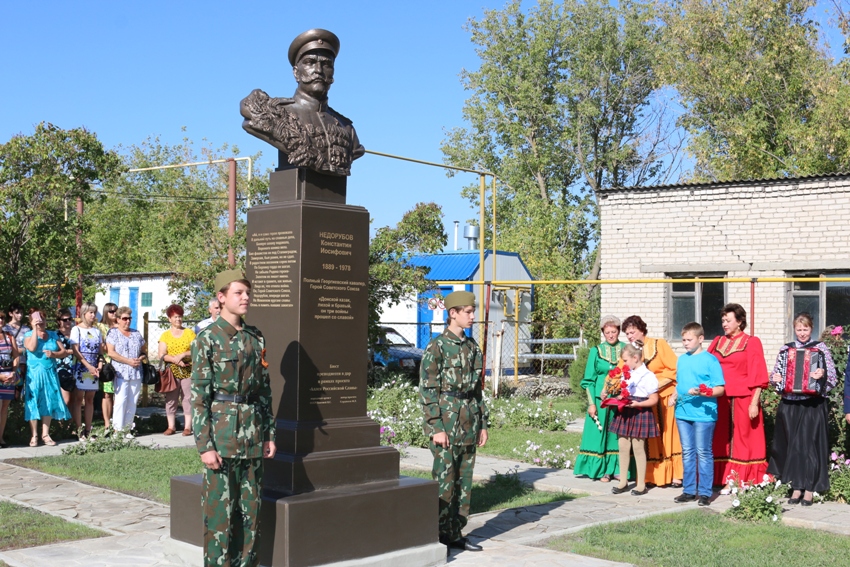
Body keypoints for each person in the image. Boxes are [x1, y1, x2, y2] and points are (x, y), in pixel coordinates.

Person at [191, 270, 276, 567]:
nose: (245, 298)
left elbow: (264, 392)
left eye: (247, 293)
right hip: (222, 440)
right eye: (238, 293)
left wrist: (269, 435)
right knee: (219, 518)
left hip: (252, 439)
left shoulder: (255, 336)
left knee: (251, 517)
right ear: (221, 297)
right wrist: (205, 446)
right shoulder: (207, 340)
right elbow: (199, 398)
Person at [241, 28, 365, 176]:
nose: (318, 70)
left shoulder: (347, 129)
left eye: (326, 64)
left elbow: (356, 151)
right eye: (310, 62)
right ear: (296, 72)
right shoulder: (277, 111)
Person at [419, 290, 488, 553]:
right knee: (445, 481)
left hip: (469, 420)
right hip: (446, 423)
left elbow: (478, 391)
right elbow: (427, 390)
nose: (472, 316)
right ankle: (436, 534)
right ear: (453, 314)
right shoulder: (436, 347)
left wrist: (482, 424)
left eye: (473, 312)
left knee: (464, 482)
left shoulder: (472, 348)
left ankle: (455, 533)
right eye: (468, 312)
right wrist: (436, 427)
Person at [767, 313, 837, 506]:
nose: (802, 332)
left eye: (805, 329)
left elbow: (832, 377)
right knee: (793, 447)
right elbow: (776, 375)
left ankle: (809, 489)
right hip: (790, 403)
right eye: (799, 329)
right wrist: (776, 380)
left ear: (811, 329)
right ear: (794, 329)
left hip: (812, 404)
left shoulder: (820, 349)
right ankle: (796, 487)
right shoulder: (785, 349)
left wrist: (821, 374)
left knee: (809, 447)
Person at [707, 303, 769, 487]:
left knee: (742, 440)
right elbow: (706, 365)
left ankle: (740, 479)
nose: (724, 323)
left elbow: (758, 374)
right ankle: (719, 478)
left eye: (728, 320)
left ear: (740, 322)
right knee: (719, 439)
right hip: (720, 399)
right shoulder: (717, 341)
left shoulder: (752, 342)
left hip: (743, 398)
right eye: (723, 320)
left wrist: (754, 402)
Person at [621, 315, 682, 487]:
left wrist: (655, 383)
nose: (630, 336)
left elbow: (674, 368)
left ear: (641, 329)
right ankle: (651, 476)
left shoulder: (658, 344)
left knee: (667, 436)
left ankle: (675, 474)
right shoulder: (630, 350)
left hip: (664, 397)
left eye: (632, 332)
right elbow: (620, 372)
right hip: (642, 401)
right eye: (627, 334)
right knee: (648, 440)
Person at [671, 322, 725, 507]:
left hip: (703, 414)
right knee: (687, 452)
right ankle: (688, 490)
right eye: (683, 340)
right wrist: (674, 395)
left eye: (689, 339)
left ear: (700, 339)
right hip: (683, 413)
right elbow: (680, 384)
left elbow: (720, 388)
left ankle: (704, 492)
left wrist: (704, 392)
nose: (685, 343)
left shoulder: (710, 360)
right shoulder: (682, 359)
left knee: (703, 452)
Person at [573, 315, 626, 482]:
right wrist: (591, 403)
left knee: (616, 434)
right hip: (599, 400)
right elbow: (588, 380)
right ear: (603, 333)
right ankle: (601, 469)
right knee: (599, 433)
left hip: (619, 399)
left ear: (619, 331)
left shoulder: (626, 349)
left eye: (614, 332)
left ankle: (616, 469)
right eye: (607, 332)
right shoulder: (595, 351)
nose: (611, 335)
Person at [606, 341, 659, 496]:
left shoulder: (648, 376)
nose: (624, 363)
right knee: (622, 446)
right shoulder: (626, 374)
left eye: (626, 360)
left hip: (640, 410)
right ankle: (623, 482)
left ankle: (641, 484)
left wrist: (637, 404)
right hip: (626, 410)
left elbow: (654, 399)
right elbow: (624, 391)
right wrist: (617, 397)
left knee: (637, 447)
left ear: (635, 358)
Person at [23, 310, 71, 446]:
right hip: (34, 373)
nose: (41, 322)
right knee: (33, 402)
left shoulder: (52, 334)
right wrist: (34, 329)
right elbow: (31, 348)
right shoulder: (27, 335)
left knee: (48, 401)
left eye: (43, 319)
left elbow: (63, 352)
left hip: (50, 372)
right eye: (37, 320)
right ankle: (34, 436)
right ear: (31, 322)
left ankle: (45, 434)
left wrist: (54, 354)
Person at [106, 307, 146, 437]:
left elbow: (143, 351)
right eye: (124, 318)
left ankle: (127, 429)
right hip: (120, 372)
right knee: (121, 400)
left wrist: (139, 358)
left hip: (135, 372)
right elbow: (111, 352)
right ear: (118, 319)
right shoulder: (113, 333)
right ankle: (117, 430)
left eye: (129, 318)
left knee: (132, 400)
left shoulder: (136, 333)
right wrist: (127, 361)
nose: (127, 321)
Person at [159, 304, 195, 436]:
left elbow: (195, 350)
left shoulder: (189, 333)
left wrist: (183, 355)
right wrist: (175, 360)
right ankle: (171, 426)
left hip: (188, 370)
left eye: (180, 316)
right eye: (175, 317)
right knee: (171, 399)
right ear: (169, 319)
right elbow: (162, 354)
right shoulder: (165, 335)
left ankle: (187, 427)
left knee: (188, 398)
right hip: (172, 372)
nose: (178, 319)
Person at [70, 302, 103, 439]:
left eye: (94, 312)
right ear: (84, 314)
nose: (93, 315)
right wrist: (88, 366)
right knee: (79, 399)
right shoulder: (76, 330)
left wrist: (99, 365)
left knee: (90, 399)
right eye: (90, 312)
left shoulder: (97, 331)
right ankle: (79, 430)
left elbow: (100, 351)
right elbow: (75, 350)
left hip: (94, 368)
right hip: (81, 367)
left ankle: (88, 429)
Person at [97, 302, 118, 430]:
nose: (114, 313)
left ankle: (118, 421)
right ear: (105, 312)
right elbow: (101, 346)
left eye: (116, 310)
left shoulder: (120, 326)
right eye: (111, 311)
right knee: (107, 393)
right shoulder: (100, 327)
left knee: (120, 394)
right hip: (106, 363)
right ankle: (107, 423)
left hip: (121, 362)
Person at [0, 313, 19, 448]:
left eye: (2, 318)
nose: (0, 320)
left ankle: (0, 437)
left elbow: (16, 355)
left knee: (4, 408)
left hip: (8, 375)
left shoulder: (9, 336)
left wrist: (13, 371)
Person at [3, 303, 30, 398]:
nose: (20, 315)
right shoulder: (4, 328)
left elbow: (29, 347)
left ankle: (16, 410)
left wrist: (17, 351)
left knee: (17, 392)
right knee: (5, 390)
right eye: (17, 313)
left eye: (21, 313)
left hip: (22, 363)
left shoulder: (26, 329)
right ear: (11, 314)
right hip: (6, 364)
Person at [55, 308, 76, 413]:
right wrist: (70, 351)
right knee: (65, 400)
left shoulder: (75, 333)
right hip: (61, 369)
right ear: (59, 321)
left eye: (70, 319)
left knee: (74, 400)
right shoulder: (55, 335)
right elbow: (54, 352)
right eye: (65, 320)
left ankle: (70, 426)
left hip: (76, 367)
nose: (68, 321)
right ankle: (61, 424)